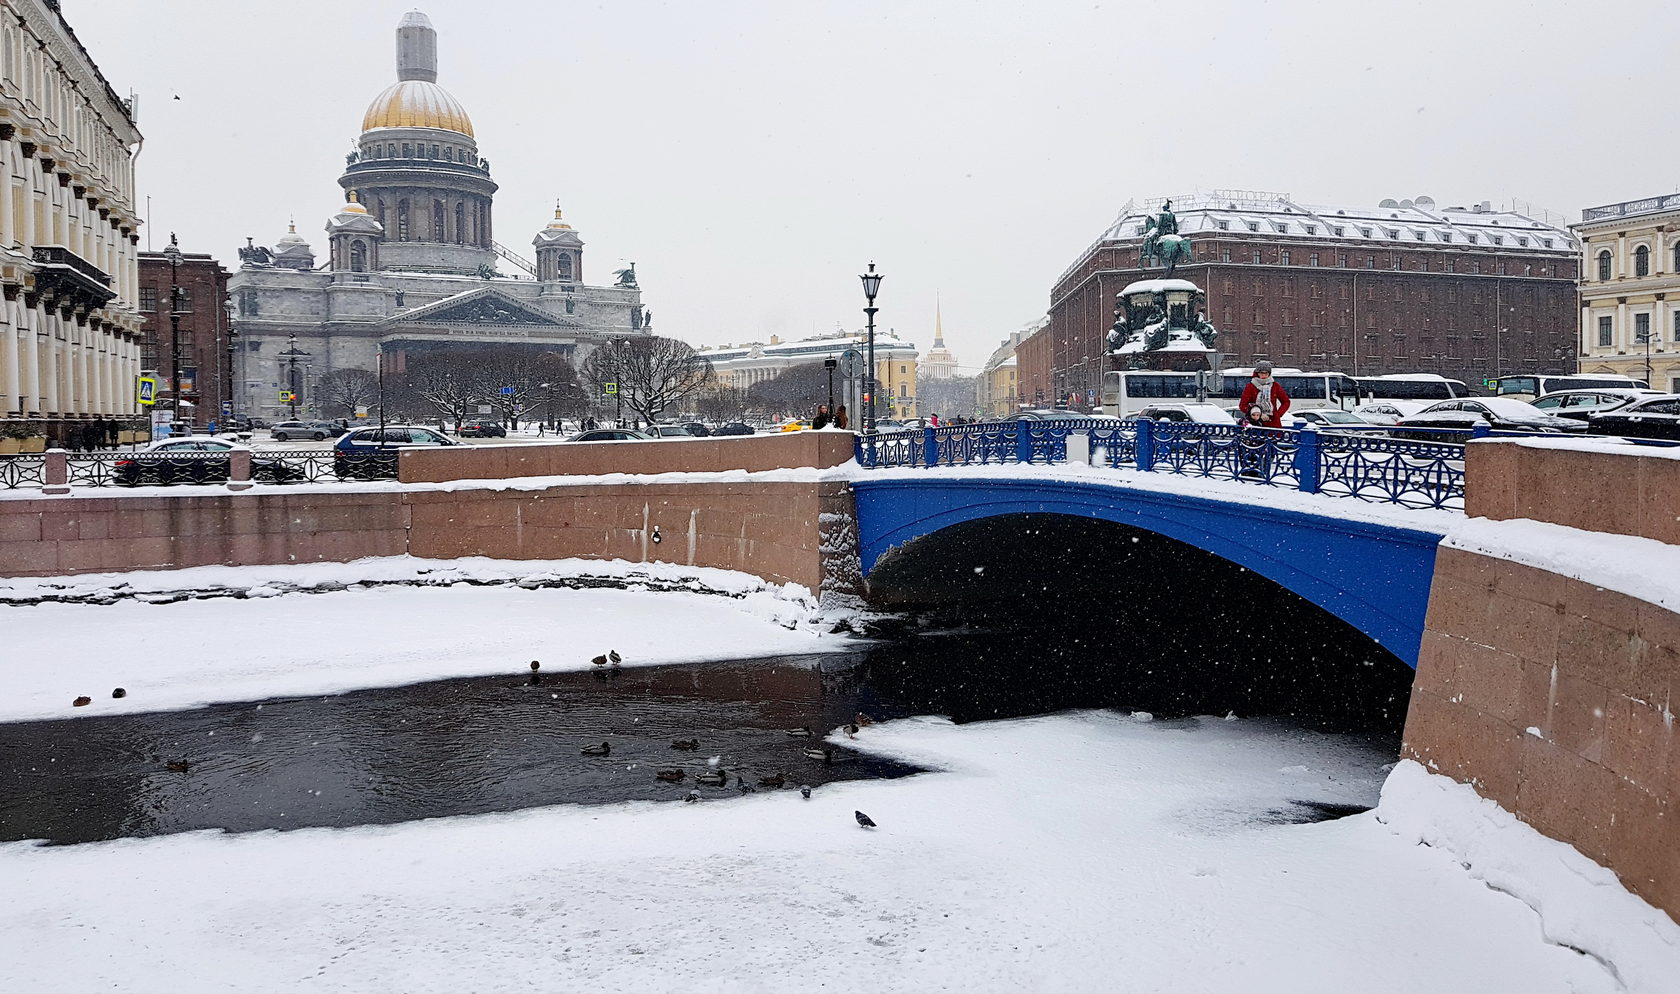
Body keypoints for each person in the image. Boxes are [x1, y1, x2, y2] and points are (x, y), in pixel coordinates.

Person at [1239, 362, 1290, 428]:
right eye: (1261, 373)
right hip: (1255, 423)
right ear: (1257, 373)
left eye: (1266, 373)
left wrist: (1278, 414)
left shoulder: (1275, 386)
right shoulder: (1250, 386)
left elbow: (1286, 402)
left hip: (1273, 422)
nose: (1264, 376)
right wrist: (1255, 413)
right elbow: (1242, 405)